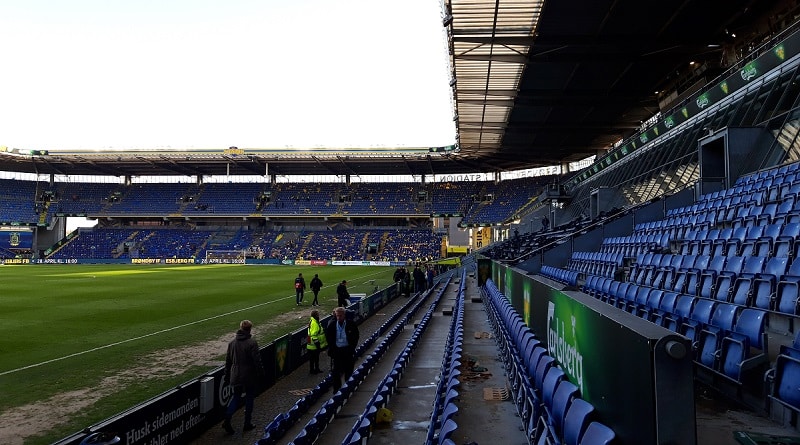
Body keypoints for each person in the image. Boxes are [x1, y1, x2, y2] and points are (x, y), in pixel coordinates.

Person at [222, 320, 264, 435]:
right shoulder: (252, 343)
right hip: (249, 375)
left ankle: (227, 419)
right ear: (249, 329)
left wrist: (227, 375)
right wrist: (261, 373)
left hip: (235, 374)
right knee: (249, 398)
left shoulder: (232, 343)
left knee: (235, 397)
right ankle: (247, 423)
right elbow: (257, 361)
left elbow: (228, 362)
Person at [325, 306, 359, 393]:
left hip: (347, 351)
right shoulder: (332, 325)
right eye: (337, 316)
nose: (339, 317)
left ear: (344, 315)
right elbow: (329, 337)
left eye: (340, 315)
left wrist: (351, 348)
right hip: (337, 351)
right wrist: (332, 349)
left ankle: (348, 389)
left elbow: (356, 336)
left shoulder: (351, 324)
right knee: (335, 372)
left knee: (348, 371)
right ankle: (337, 389)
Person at [307, 309, 328, 374]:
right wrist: (317, 344)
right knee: (314, 358)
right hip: (314, 345)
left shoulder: (314, 321)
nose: (319, 315)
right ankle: (314, 370)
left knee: (314, 358)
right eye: (318, 314)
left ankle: (314, 369)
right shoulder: (314, 323)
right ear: (316, 315)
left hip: (312, 345)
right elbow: (313, 335)